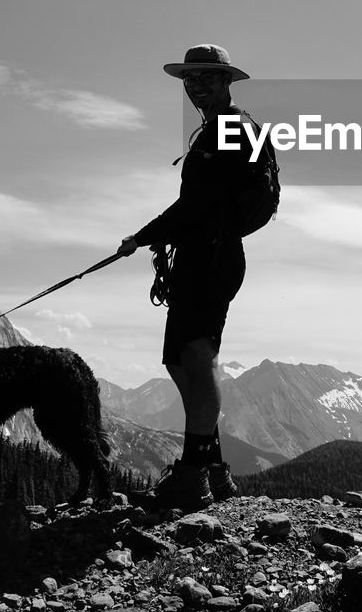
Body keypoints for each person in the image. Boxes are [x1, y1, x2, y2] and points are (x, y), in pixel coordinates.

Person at [117, 43, 254, 512]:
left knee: (198, 356)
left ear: (225, 80)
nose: (195, 86)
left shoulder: (231, 129)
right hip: (202, 255)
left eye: (204, 78)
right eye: (189, 80)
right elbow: (204, 205)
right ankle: (212, 469)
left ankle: (193, 475)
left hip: (212, 257)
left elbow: (199, 205)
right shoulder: (219, 129)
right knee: (180, 359)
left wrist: (143, 235)